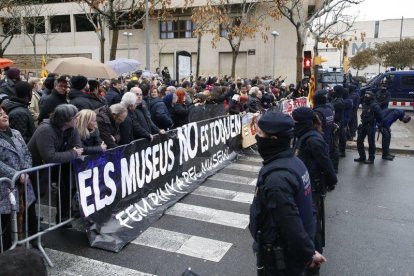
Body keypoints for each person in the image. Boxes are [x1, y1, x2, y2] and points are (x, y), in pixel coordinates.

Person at [249, 111, 326, 275]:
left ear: (273, 140)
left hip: (281, 258)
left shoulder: (277, 179)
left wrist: (308, 253)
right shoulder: (294, 161)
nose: (257, 137)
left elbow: (289, 223)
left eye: (260, 134)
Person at [292, 107, 337, 276]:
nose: (293, 124)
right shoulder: (304, 136)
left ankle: (313, 261)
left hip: (312, 187)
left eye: (295, 122)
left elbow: (325, 163)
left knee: (311, 225)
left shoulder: (313, 140)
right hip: (306, 184)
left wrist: (332, 181)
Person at [28, 104, 83, 224]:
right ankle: (29, 225)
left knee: (64, 190)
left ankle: (62, 218)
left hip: (55, 167)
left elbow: (78, 146)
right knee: (33, 196)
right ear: (65, 120)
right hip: (35, 168)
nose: (77, 119)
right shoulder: (45, 130)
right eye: (75, 117)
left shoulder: (72, 128)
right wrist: (72, 153)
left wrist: (69, 153)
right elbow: (50, 156)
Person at [0, 106, 36, 250]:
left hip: (24, 183)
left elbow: (27, 153)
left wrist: (25, 171)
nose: (4, 116)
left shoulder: (15, 133)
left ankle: (31, 241)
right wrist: (15, 174)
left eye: (4, 113)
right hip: (5, 187)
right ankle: (6, 250)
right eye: (0, 115)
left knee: (28, 213)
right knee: (7, 220)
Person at [354, 91, 383, 164]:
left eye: (368, 95)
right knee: (359, 141)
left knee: (371, 143)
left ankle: (371, 158)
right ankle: (362, 157)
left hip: (371, 126)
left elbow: (380, 117)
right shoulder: (364, 104)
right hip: (363, 125)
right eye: (365, 94)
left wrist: (379, 125)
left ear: (371, 96)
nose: (366, 96)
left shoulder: (375, 106)